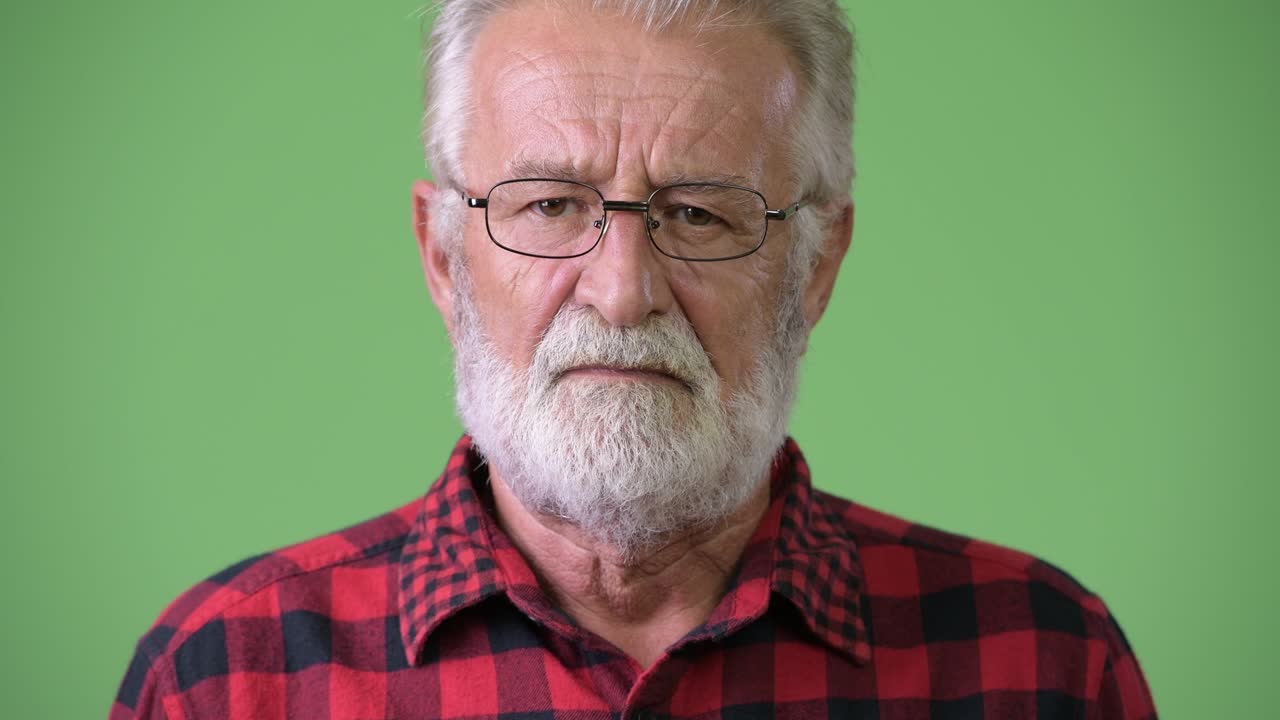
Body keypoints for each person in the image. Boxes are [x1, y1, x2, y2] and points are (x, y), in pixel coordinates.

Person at [111, 1, 1158, 718]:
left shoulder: (1041, 664)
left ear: (815, 264)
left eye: (699, 214)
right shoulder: (229, 680)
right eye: (550, 205)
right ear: (442, 255)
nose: (620, 289)